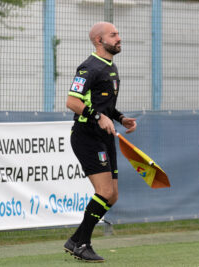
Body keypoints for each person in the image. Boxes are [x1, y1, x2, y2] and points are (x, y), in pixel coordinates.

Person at [64, 21, 137, 262]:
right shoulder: (89, 68)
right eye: (113, 34)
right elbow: (72, 102)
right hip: (87, 137)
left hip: (105, 137)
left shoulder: (111, 67)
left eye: (118, 33)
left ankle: (76, 239)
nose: (119, 38)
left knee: (112, 195)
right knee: (104, 191)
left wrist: (121, 117)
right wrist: (97, 116)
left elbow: (106, 106)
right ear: (99, 40)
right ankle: (82, 243)